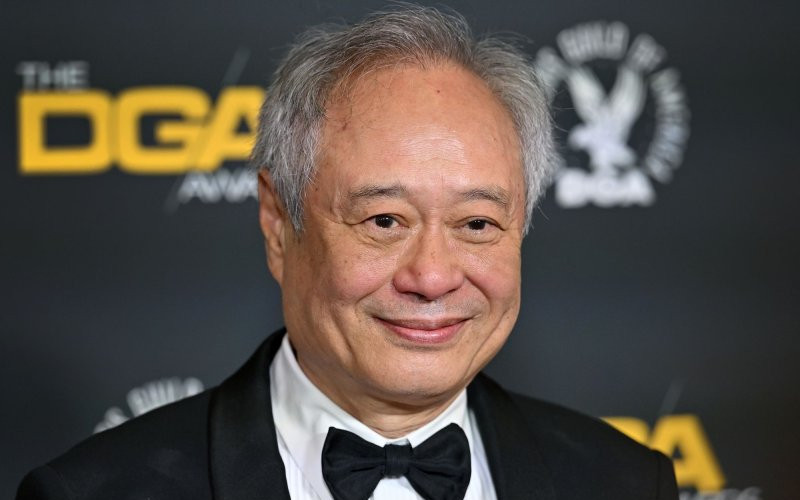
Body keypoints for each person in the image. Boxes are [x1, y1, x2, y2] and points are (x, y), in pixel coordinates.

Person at [17, 5, 678, 500]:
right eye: (384, 220)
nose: (433, 276)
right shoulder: (94, 493)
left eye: (476, 224)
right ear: (279, 223)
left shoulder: (623, 482)